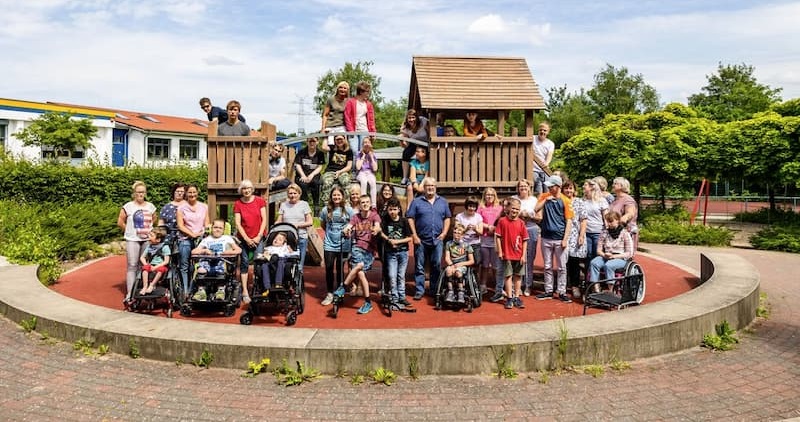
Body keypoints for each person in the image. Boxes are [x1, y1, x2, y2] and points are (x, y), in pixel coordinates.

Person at [334, 195, 381, 314]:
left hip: (369, 250)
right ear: (359, 205)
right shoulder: (356, 217)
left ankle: (344, 288)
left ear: (370, 204)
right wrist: (346, 230)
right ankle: (366, 302)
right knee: (359, 267)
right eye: (362, 202)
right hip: (357, 247)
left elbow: (377, 226)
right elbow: (349, 226)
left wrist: (376, 229)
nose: (365, 204)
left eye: (367, 202)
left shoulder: (374, 215)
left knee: (360, 274)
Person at [407, 177, 451, 300]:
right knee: (419, 266)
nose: (430, 188)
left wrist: (444, 233)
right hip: (420, 239)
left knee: (436, 264)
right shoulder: (416, 201)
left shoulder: (443, 201)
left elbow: (447, 217)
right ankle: (419, 290)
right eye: (428, 186)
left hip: (437, 239)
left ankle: (434, 289)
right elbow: (410, 218)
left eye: (432, 186)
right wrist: (414, 235)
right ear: (424, 188)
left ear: (435, 187)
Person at [534, 175, 574, 303]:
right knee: (547, 266)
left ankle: (561, 291)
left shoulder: (566, 200)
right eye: (549, 186)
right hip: (546, 236)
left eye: (552, 186)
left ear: (558, 187)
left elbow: (569, 221)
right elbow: (535, 209)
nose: (549, 188)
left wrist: (565, 239)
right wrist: (546, 200)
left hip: (559, 237)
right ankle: (548, 290)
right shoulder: (545, 196)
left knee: (562, 266)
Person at [118, 181, 157, 302]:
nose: (141, 194)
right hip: (132, 240)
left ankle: (143, 288)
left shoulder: (150, 206)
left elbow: (154, 219)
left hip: (146, 239)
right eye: (138, 192)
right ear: (134, 193)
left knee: (145, 265)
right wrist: (129, 231)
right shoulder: (128, 206)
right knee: (132, 265)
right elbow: (120, 221)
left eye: (143, 192)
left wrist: (148, 230)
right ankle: (130, 293)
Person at [233, 179, 267, 305]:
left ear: (252, 189)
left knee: (259, 263)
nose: (246, 191)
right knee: (245, 263)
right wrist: (246, 239)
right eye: (244, 189)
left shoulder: (259, 201)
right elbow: (237, 223)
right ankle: (245, 291)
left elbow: (264, 219)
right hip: (244, 238)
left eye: (248, 188)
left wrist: (258, 236)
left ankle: (259, 287)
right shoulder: (238, 204)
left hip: (258, 237)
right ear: (241, 191)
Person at [191, 219, 241, 301]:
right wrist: (204, 251)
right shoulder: (206, 240)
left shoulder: (227, 239)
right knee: (200, 270)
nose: (217, 230)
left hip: (221, 261)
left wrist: (227, 252)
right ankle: (201, 291)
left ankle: (221, 291)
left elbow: (238, 250)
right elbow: (193, 252)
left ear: (224, 230)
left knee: (221, 270)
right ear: (212, 228)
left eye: (220, 228)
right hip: (207, 261)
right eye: (215, 227)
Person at [319, 186, 353, 306]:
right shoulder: (325, 210)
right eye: (334, 195)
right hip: (329, 244)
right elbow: (323, 224)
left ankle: (339, 293)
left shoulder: (348, 210)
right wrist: (330, 233)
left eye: (339, 195)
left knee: (340, 269)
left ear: (343, 196)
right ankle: (329, 293)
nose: (336, 197)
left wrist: (347, 230)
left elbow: (353, 223)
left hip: (343, 244)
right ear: (331, 197)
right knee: (328, 268)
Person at [495, 197, 529, 309]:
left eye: (517, 209)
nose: (515, 211)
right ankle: (509, 298)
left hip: (518, 255)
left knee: (518, 276)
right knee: (508, 276)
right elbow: (498, 237)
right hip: (507, 254)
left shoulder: (521, 223)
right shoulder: (502, 221)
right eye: (513, 208)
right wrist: (500, 251)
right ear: (508, 208)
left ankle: (516, 296)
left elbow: (524, 240)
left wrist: (523, 255)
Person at [176, 184, 210, 296]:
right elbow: (180, 225)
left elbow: (207, 224)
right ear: (186, 194)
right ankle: (185, 290)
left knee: (199, 265)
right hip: (186, 238)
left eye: (194, 192)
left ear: (197, 193)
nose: (192, 194)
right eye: (190, 192)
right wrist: (192, 234)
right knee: (184, 266)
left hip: (200, 239)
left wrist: (201, 233)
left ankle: (197, 288)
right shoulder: (181, 208)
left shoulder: (204, 207)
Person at [380, 198, 412, 307]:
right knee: (392, 275)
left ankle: (402, 297)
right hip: (391, 253)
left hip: (403, 252)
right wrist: (389, 240)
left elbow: (409, 238)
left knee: (401, 275)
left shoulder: (404, 221)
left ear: (399, 209)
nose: (392, 212)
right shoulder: (385, 220)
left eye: (394, 209)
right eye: (390, 209)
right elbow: (381, 233)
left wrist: (397, 241)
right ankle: (394, 297)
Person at [588, 211, 634, 289]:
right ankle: (596, 288)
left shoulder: (625, 233)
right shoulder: (604, 233)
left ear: (617, 220)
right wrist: (604, 255)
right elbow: (598, 250)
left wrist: (614, 256)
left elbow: (629, 253)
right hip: (606, 255)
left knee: (609, 265)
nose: (609, 224)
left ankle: (610, 290)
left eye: (611, 222)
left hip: (620, 257)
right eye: (607, 222)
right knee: (594, 263)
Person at [276, 183, 313, 273]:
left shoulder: (304, 204)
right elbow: (279, 220)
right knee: (286, 261)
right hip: (287, 237)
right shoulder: (284, 205)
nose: (292, 195)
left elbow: (310, 222)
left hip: (301, 236)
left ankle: (298, 280)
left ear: (299, 194)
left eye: (295, 193)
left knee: (299, 263)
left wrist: (297, 225)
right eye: (290, 193)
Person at [513, 178, 540, 296]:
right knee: (517, 257)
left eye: (525, 186)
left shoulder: (534, 200)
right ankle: (517, 284)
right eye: (521, 187)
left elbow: (539, 217)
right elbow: (508, 213)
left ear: (529, 188)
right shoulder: (514, 199)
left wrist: (529, 216)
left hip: (531, 229)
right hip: (517, 229)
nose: (523, 189)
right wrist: (519, 215)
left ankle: (528, 285)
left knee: (529, 258)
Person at [563, 179, 588, 299]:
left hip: (575, 234)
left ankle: (575, 285)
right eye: (566, 188)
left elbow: (583, 219)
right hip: (563, 234)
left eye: (570, 188)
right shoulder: (561, 201)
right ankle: (563, 285)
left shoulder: (579, 202)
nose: (568, 190)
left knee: (574, 261)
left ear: (574, 190)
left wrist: (581, 235)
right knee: (563, 261)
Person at [478, 187, 503, 297]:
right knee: (484, 264)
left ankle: (497, 286)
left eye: (491, 195)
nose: (489, 197)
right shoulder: (481, 208)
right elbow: (478, 220)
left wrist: (495, 229)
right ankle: (483, 285)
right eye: (487, 195)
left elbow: (502, 221)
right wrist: (488, 227)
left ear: (495, 196)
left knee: (496, 265)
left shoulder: (499, 208)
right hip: (485, 238)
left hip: (496, 239)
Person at [443, 224, 475, 304]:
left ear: (463, 235)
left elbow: (471, 261)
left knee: (458, 272)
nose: (456, 235)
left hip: (462, 265)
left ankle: (461, 292)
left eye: (458, 233)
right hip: (452, 264)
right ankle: (450, 291)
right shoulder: (448, 244)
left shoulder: (467, 245)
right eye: (454, 232)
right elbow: (447, 257)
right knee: (448, 271)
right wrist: (451, 265)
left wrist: (460, 264)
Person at [293, 137, 326, 213]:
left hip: (314, 175)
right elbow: (297, 165)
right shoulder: (301, 152)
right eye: (310, 141)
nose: (312, 143)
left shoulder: (320, 153)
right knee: (302, 185)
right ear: (307, 142)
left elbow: (320, 166)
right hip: (302, 175)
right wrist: (303, 175)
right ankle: (305, 207)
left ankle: (316, 207)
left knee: (316, 183)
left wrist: (311, 175)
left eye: (313, 141)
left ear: (317, 142)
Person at [344, 81, 376, 155]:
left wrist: (373, 132)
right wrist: (350, 130)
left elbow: (371, 119)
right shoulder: (351, 102)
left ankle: (362, 167)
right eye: (367, 91)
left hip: (364, 130)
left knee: (363, 151)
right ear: (361, 92)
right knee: (354, 150)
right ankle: (354, 167)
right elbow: (347, 116)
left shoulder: (368, 104)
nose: (368, 93)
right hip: (353, 131)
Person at [319, 134, 353, 206]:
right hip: (330, 171)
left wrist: (339, 172)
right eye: (337, 139)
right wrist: (326, 136)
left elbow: (349, 166)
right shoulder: (332, 148)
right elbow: (323, 147)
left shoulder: (349, 151)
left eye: (341, 139)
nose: (339, 141)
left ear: (344, 140)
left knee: (346, 181)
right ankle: (326, 204)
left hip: (342, 171)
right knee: (327, 182)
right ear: (335, 141)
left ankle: (346, 203)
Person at [399, 109, 430, 186]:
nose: (411, 120)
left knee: (428, 154)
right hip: (414, 143)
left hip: (425, 142)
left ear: (416, 117)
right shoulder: (405, 127)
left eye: (413, 117)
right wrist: (401, 140)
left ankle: (428, 174)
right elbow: (404, 145)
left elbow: (430, 131)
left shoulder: (423, 121)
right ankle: (405, 177)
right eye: (409, 118)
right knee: (406, 153)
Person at [138, 227, 170, 295]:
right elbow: (142, 257)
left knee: (161, 269)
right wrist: (146, 264)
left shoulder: (165, 247)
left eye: (151, 236)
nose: (149, 237)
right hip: (151, 264)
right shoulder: (149, 246)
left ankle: (152, 285)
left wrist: (155, 267)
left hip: (160, 265)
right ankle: (145, 286)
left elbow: (166, 261)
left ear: (158, 239)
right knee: (144, 268)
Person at [454, 196, 484, 271]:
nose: (472, 208)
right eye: (470, 206)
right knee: (463, 262)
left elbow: (481, 232)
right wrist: (466, 229)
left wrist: (475, 230)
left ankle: (474, 280)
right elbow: (456, 231)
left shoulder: (478, 217)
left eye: (474, 207)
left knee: (477, 262)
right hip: (463, 243)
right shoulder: (459, 216)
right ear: (466, 206)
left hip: (475, 244)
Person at [610, 177, 639, 251]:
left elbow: (631, 213)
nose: (613, 185)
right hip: (615, 232)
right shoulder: (616, 199)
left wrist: (624, 218)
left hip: (626, 232)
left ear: (622, 186)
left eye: (615, 184)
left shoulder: (628, 199)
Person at [321, 81, 349, 146]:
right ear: (337, 89)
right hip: (330, 126)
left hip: (341, 126)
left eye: (345, 88)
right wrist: (323, 128)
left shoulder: (348, 101)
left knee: (343, 145)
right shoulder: (331, 100)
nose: (342, 89)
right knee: (331, 146)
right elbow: (325, 115)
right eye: (341, 87)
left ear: (347, 90)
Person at [531, 122, 555, 195]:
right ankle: (539, 202)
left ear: (548, 132)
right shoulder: (532, 138)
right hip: (533, 168)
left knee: (547, 187)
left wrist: (546, 163)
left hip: (543, 169)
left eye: (545, 130)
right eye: (541, 130)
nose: (542, 132)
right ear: (538, 130)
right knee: (538, 187)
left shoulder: (550, 143)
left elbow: (549, 155)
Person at [355, 138, 378, 205]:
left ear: (371, 144)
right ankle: (363, 203)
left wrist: (371, 157)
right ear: (362, 145)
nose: (366, 144)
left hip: (370, 173)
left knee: (373, 182)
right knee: (364, 182)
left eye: (368, 142)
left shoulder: (373, 155)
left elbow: (375, 169)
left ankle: (374, 205)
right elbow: (358, 167)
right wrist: (363, 156)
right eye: (365, 142)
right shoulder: (359, 154)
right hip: (361, 172)